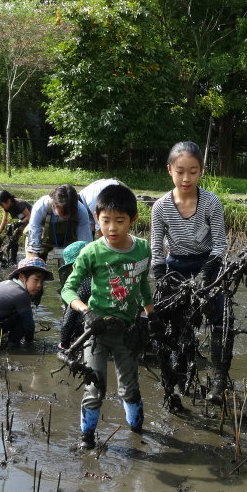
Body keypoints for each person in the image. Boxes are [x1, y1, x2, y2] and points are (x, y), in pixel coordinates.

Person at [60, 183, 155, 449]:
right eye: (105, 221)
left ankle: (137, 434)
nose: (112, 228)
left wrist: (151, 316)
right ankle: (86, 439)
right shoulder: (92, 252)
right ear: (97, 218)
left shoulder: (143, 249)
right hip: (96, 330)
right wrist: (86, 312)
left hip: (127, 329)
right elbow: (68, 290)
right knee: (95, 388)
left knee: (130, 388)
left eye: (120, 221)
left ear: (133, 220)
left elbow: (144, 285)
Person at [150, 141, 232, 404]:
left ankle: (219, 380)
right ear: (169, 170)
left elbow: (219, 244)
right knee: (175, 323)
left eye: (193, 171)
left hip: (208, 265)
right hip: (175, 267)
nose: (186, 178)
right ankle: (179, 374)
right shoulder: (160, 207)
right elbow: (156, 248)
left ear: (201, 172)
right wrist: (162, 278)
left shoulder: (211, 203)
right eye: (180, 171)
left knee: (219, 319)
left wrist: (206, 274)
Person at [25, 184, 94, 261]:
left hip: (68, 240)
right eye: (63, 212)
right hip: (41, 239)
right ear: (55, 204)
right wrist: (34, 256)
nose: (66, 216)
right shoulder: (41, 206)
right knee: (33, 265)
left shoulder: (81, 211)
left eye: (70, 212)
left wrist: (85, 259)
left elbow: (85, 241)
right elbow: (34, 231)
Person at [57, 240, 90, 351]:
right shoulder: (106, 273)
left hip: (94, 330)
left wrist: (64, 345)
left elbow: (68, 321)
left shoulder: (82, 283)